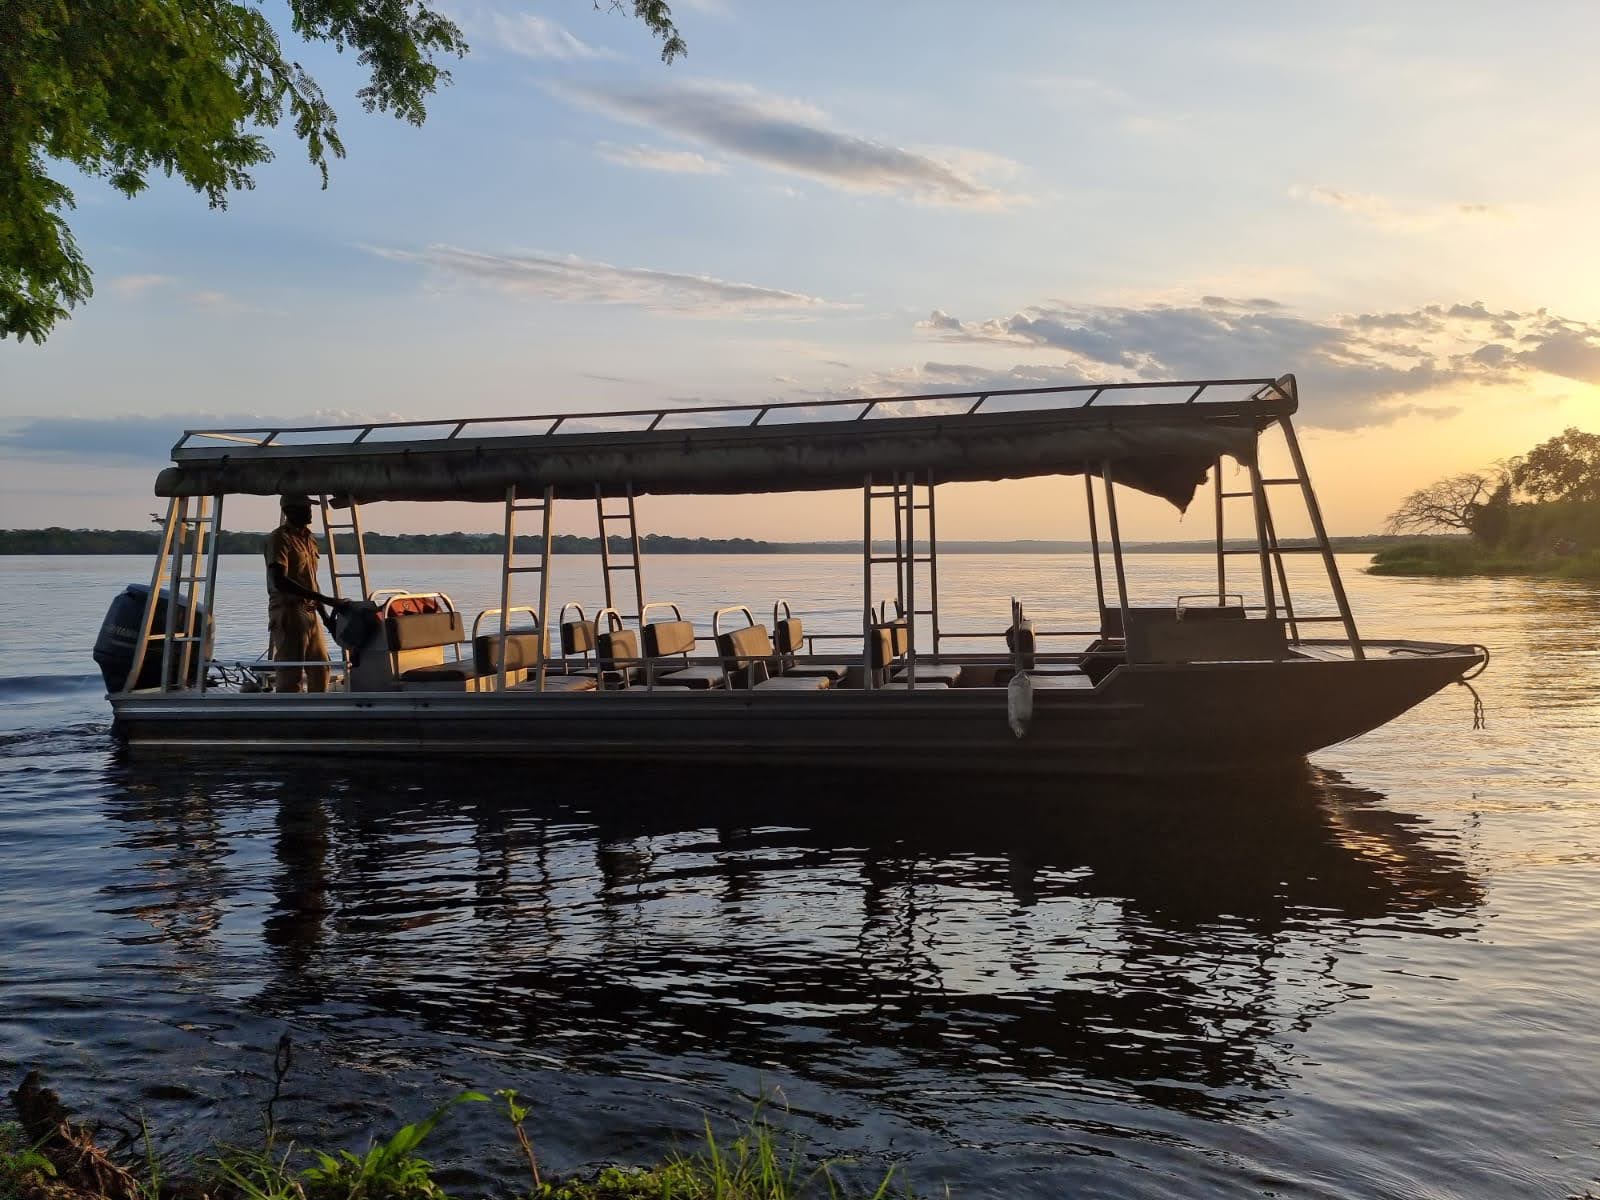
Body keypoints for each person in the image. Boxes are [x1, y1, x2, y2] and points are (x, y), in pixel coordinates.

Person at [264, 495, 346, 693]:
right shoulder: (279, 538)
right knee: (290, 672)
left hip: (310, 611)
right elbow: (280, 580)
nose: (310, 511)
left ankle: (319, 710)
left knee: (321, 667)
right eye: (304, 507)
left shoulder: (309, 539)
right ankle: (290, 713)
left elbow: (311, 582)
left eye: (309, 507)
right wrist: (326, 599)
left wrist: (326, 617)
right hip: (289, 612)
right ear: (289, 511)